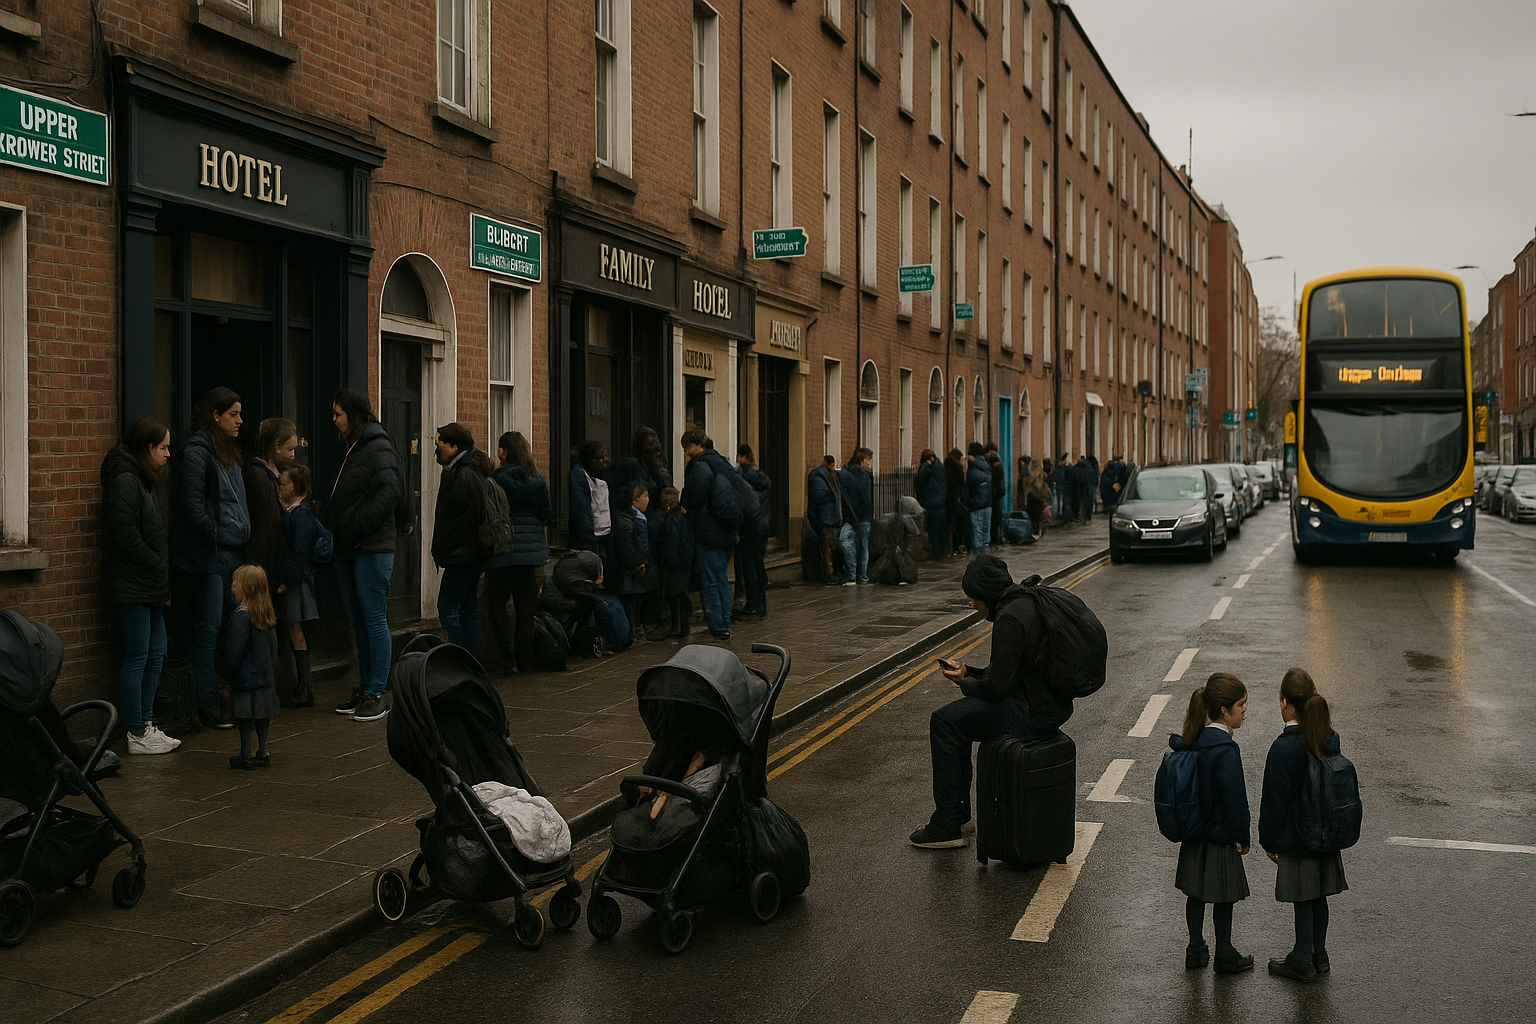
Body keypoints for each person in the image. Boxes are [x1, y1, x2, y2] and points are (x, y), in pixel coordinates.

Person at [909, 557, 1070, 848]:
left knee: (945, 721)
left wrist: (964, 683)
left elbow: (997, 688)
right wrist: (969, 673)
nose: (968, 600)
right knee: (956, 720)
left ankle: (947, 823)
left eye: (972, 594)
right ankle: (957, 816)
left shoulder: (1009, 618)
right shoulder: (1025, 603)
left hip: (1029, 715)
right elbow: (1009, 674)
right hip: (1045, 706)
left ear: (985, 592)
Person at [1260, 668, 1349, 982]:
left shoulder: (1284, 748)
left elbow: (1275, 801)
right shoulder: (1327, 738)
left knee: (1302, 897)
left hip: (1297, 837)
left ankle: (1301, 958)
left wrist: (1270, 840)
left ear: (1285, 702)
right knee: (1319, 896)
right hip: (1326, 834)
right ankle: (1318, 954)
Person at [173, 386, 251, 730]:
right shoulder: (197, 452)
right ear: (215, 416)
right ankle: (208, 706)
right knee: (207, 633)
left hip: (225, 555)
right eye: (233, 414)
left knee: (220, 629)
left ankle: (215, 699)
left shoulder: (224, 449)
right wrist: (217, 536)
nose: (239, 421)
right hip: (205, 559)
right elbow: (192, 508)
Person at [101, 416, 180, 754]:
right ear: (148, 447)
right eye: (163, 447)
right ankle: (136, 732)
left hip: (148, 585)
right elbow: (123, 533)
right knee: (138, 656)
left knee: (156, 652)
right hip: (132, 586)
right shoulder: (126, 481)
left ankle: (146, 725)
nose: (168, 454)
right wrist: (154, 561)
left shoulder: (143, 480)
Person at [1170, 672, 1255, 974]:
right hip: (1220, 836)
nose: (1245, 710)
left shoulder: (1195, 741)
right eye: (1241, 705)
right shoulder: (1226, 749)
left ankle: (1195, 948)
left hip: (1194, 834)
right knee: (1223, 897)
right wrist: (1243, 836)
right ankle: (1225, 952)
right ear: (1224, 711)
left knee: (1195, 894)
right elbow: (1235, 800)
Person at [327, 386, 403, 723]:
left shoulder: (377, 445)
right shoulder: (353, 446)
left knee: (373, 619)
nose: (334, 420)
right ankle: (364, 688)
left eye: (338, 414)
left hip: (371, 547)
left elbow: (389, 493)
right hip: (350, 547)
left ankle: (376, 693)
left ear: (354, 413)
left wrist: (354, 526)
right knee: (358, 620)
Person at [485, 431, 552, 675]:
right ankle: (526, 661)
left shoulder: (497, 480)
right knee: (526, 610)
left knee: (496, 605)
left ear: (502, 452)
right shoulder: (538, 481)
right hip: (532, 553)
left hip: (504, 552)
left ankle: (507, 660)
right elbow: (547, 515)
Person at [244, 418, 299, 694]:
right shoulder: (259, 477)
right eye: (290, 449)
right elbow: (266, 528)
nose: (293, 454)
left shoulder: (276, 476)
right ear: (276, 447)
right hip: (265, 567)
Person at [431, 422, 490, 656]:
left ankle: (460, 659)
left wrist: (450, 547)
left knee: (447, 609)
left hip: (462, 555)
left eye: (440, 444)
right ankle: (472, 664)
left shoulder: (462, 474)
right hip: (469, 554)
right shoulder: (465, 470)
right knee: (468, 609)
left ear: (454, 447)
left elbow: (466, 517)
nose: (437, 450)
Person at [680, 429, 741, 640]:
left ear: (698, 445)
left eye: (687, 447)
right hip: (726, 530)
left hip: (708, 532)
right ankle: (724, 620)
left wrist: (685, 503)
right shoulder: (722, 462)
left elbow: (694, 497)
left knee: (711, 579)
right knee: (721, 578)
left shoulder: (701, 466)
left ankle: (718, 623)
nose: (686, 452)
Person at [219, 564, 280, 770]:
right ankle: (262, 751)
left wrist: (225, 671)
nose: (232, 585)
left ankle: (245, 754)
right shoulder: (266, 616)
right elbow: (273, 649)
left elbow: (233, 650)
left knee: (245, 718)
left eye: (236, 582)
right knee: (263, 715)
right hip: (265, 678)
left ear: (246, 588)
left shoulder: (240, 617)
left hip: (245, 679)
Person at [275, 464, 323, 707]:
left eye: (284, 484)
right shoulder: (296, 513)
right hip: (297, 580)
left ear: (296, 487)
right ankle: (303, 687)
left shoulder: (301, 516)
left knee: (297, 633)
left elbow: (299, 553)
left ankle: (304, 689)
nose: (280, 488)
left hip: (297, 583)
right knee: (295, 633)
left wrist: (286, 581)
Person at [612, 482, 658, 646]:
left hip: (640, 565)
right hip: (632, 570)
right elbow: (627, 547)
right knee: (630, 604)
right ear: (634, 500)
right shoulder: (628, 521)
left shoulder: (639, 518)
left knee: (636, 602)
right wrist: (637, 563)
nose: (647, 500)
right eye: (644, 496)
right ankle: (629, 636)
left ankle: (632, 633)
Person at [652, 486, 695, 639]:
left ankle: (677, 627)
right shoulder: (682, 517)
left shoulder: (671, 519)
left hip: (675, 564)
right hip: (683, 562)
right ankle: (682, 626)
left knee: (674, 595)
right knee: (680, 595)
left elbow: (671, 542)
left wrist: (667, 560)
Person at [735, 445, 771, 616]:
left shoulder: (742, 476)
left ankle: (753, 603)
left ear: (742, 457)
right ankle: (761, 604)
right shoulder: (762, 478)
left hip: (749, 527)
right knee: (759, 565)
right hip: (762, 525)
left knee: (749, 567)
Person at [568, 439, 612, 568]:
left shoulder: (602, 477)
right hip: (590, 538)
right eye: (597, 458)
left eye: (604, 459)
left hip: (602, 535)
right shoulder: (579, 476)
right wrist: (590, 545)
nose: (602, 462)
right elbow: (581, 512)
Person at [838, 447, 874, 585]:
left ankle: (851, 573)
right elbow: (865, 498)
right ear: (862, 460)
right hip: (863, 517)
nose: (869, 463)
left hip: (849, 517)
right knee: (862, 547)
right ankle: (861, 575)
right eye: (868, 460)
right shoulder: (864, 476)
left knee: (847, 542)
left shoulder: (845, 474)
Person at [806, 455, 844, 583]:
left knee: (831, 547)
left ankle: (832, 574)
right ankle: (829, 575)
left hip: (830, 519)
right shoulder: (820, 477)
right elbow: (820, 499)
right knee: (827, 548)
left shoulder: (826, 476)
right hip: (826, 519)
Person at [914, 448, 948, 559]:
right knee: (941, 531)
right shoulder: (940, 468)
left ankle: (937, 553)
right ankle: (942, 552)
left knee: (934, 532)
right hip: (941, 503)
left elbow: (918, 481)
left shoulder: (928, 470)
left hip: (932, 504)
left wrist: (924, 467)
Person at [965, 442, 993, 557]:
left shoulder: (974, 467)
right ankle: (986, 558)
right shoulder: (986, 465)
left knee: (977, 537)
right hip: (988, 504)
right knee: (985, 536)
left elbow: (970, 485)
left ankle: (978, 561)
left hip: (977, 504)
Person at [944, 448, 968, 557]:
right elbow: (960, 485)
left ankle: (952, 549)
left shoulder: (946, 468)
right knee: (958, 525)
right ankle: (958, 547)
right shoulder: (957, 470)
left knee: (951, 527)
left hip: (948, 502)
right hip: (954, 502)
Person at [985, 442, 1006, 547]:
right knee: (995, 517)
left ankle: (996, 538)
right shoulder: (993, 462)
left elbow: (998, 475)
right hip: (994, 494)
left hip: (995, 494)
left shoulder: (996, 462)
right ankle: (995, 538)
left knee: (996, 517)